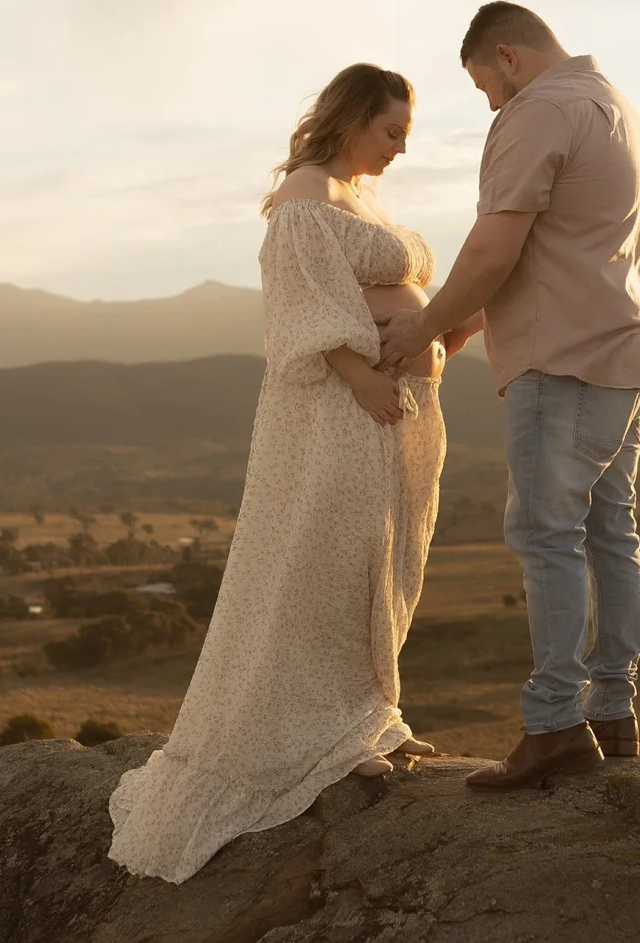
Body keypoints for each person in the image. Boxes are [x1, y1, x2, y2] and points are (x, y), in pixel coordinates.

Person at [108, 64, 452, 883]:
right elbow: (303, 298)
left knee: (372, 559)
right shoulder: (307, 194)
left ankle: (362, 717)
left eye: (408, 133)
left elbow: (388, 286)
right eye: (391, 130)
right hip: (337, 410)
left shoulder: (351, 193)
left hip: (378, 409)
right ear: (351, 118)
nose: (401, 147)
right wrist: (360, 372)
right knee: (326, 560)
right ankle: (314, 736)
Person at [380, 2, 640, 792]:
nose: (491, 104)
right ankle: (614, 711)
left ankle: (553, 725)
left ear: (505, 57)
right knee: (611, 532)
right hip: (627, 347)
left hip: (563, 358)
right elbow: (566, 248)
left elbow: (496, 243)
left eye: (483, 87)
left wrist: (427, 326)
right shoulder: (620, 110)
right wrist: (472, 323)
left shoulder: (536, 111)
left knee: (547, 535)